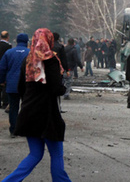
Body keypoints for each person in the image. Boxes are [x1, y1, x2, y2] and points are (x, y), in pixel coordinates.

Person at [2, 28, 71, 182]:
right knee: (56, 154)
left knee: (34, 154)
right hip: (47, 115)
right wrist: (63, 87)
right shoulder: (51, 60)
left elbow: (21, 88)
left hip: (29, 114)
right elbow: (56, 88)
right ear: (49, 40)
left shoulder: (27, 61)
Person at [0, 33, 30, 137]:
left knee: (13, 107)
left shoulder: (9, 52)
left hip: (12, 84)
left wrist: (2, 80)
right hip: (27, 84)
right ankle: (25, 128)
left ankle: (13, 130)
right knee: (26, 107)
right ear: (27, 41)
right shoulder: (30, 53)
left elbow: (2, 68)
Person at [0, 31, 12, 110]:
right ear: (7, 37)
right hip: (5, 66)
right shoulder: (8, 46)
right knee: (5, 84)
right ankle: (5, 102)